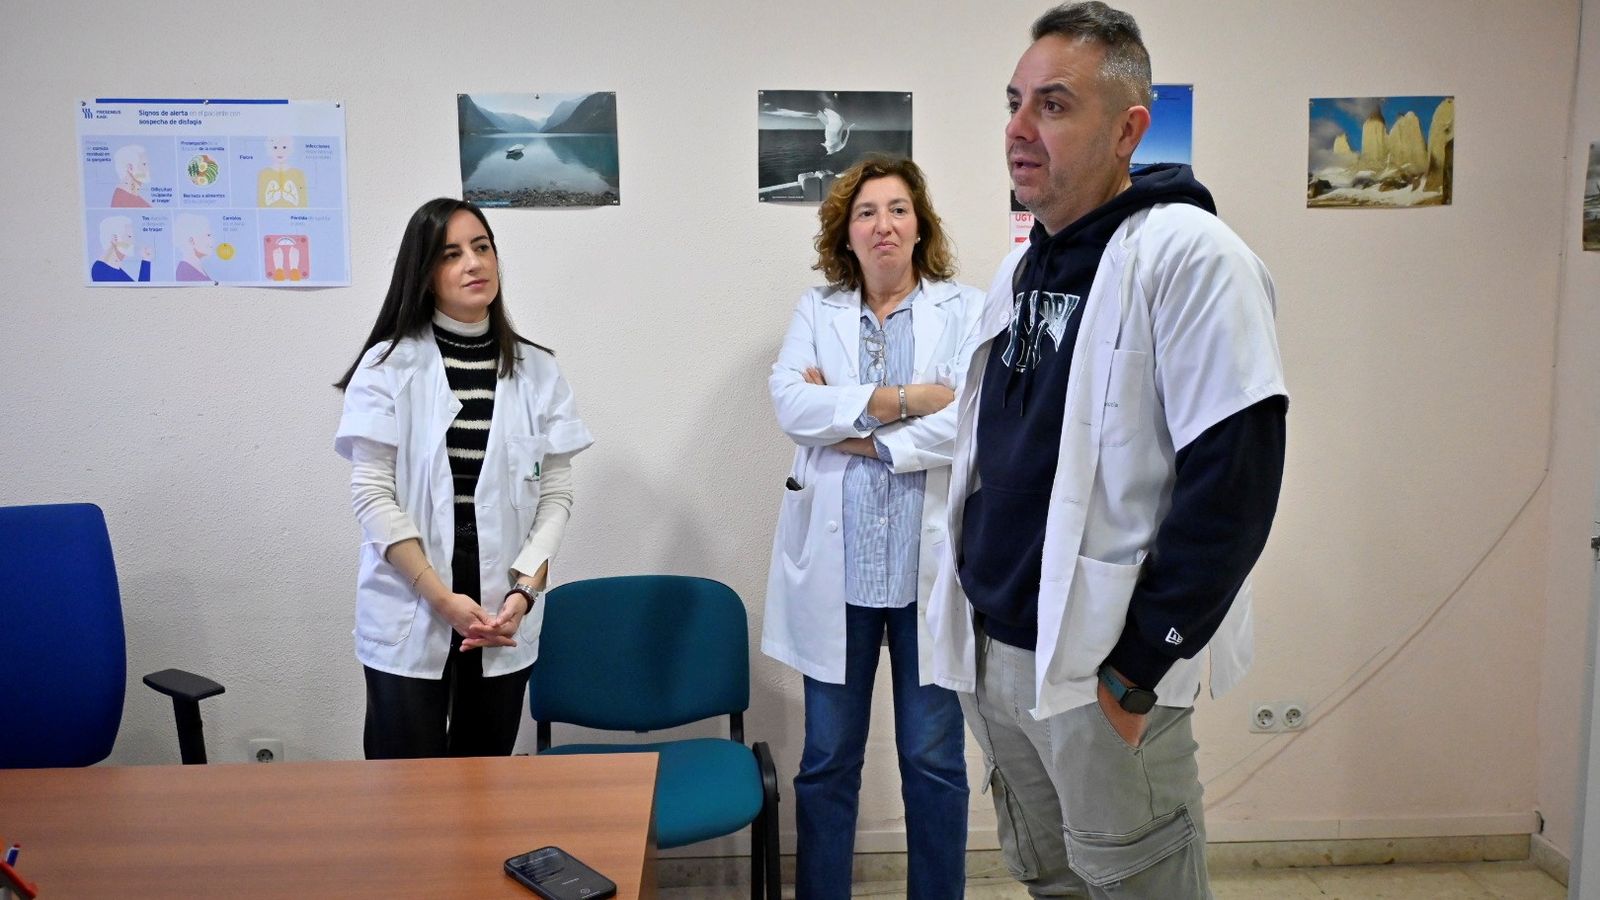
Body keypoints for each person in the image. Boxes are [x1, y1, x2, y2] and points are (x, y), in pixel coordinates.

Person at [924, 3, 1289, 897]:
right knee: (1051, 879)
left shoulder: (1193, 257)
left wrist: (1136, 673)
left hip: (1100, 670)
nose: (1017, 129)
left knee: (1136, 883)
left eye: (1052, 105)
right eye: (1014, 102)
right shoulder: (1027, 264)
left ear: (1128, 129)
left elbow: (1235, 482)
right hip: (1000, 654)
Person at [764, 156, 983, 900]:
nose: (882, 224)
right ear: (846, 233)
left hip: (928, 578)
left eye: (896, 209)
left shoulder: (967, 309)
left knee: (934, 763)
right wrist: (906, 397)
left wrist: (857, 428)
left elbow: (968, 423)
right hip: (840, 577)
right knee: (826, 761)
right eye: (865, 213)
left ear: (919, 224)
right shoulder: (815, 310)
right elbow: (791, 405)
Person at [334, 197, 591, 759]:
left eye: (482, 247)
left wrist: (524, 591)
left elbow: (555, 493)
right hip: (414, 588)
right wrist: (440, 596)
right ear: (424, 274)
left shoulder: (537, 369)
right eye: (452, 254)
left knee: (485, 781)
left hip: (504, 599)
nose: (474, 263)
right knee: (407, 788)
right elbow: (372, 494)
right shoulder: (387, 367)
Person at [90, 215, 151, 282]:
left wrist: (146, 259)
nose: (133, 242)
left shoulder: (112, 269)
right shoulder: (102, 272)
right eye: (129, 236)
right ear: (115, 238)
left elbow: (140, 289)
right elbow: (139, 291)